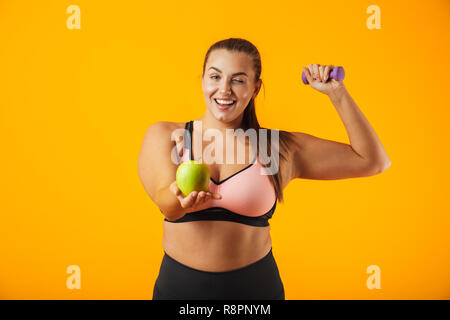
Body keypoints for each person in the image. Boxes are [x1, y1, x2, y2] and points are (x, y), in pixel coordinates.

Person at [137, 38, 390, 300]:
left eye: (238, 80)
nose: (224, 90)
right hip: (179, 291)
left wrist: (337, 93)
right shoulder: (169, 135)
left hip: (256, 292)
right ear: (202, 79)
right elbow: (167, 205)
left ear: (256, 88)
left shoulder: (278, 148)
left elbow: (372, 161)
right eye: (215, 77)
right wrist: (181, 199)